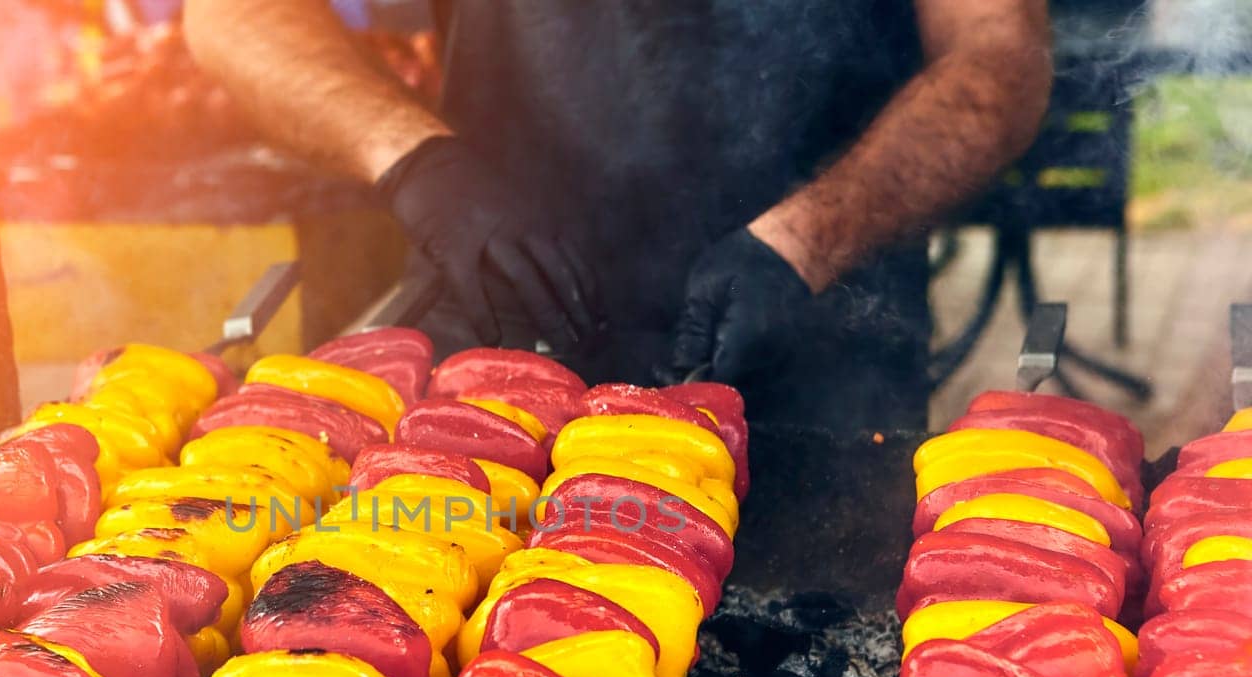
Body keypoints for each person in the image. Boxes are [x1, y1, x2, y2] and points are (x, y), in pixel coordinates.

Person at [184, 0, 1051, 430]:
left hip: (809, 352)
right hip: (495, 348)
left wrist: (812, 236)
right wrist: (417, 161)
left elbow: (998, 55)